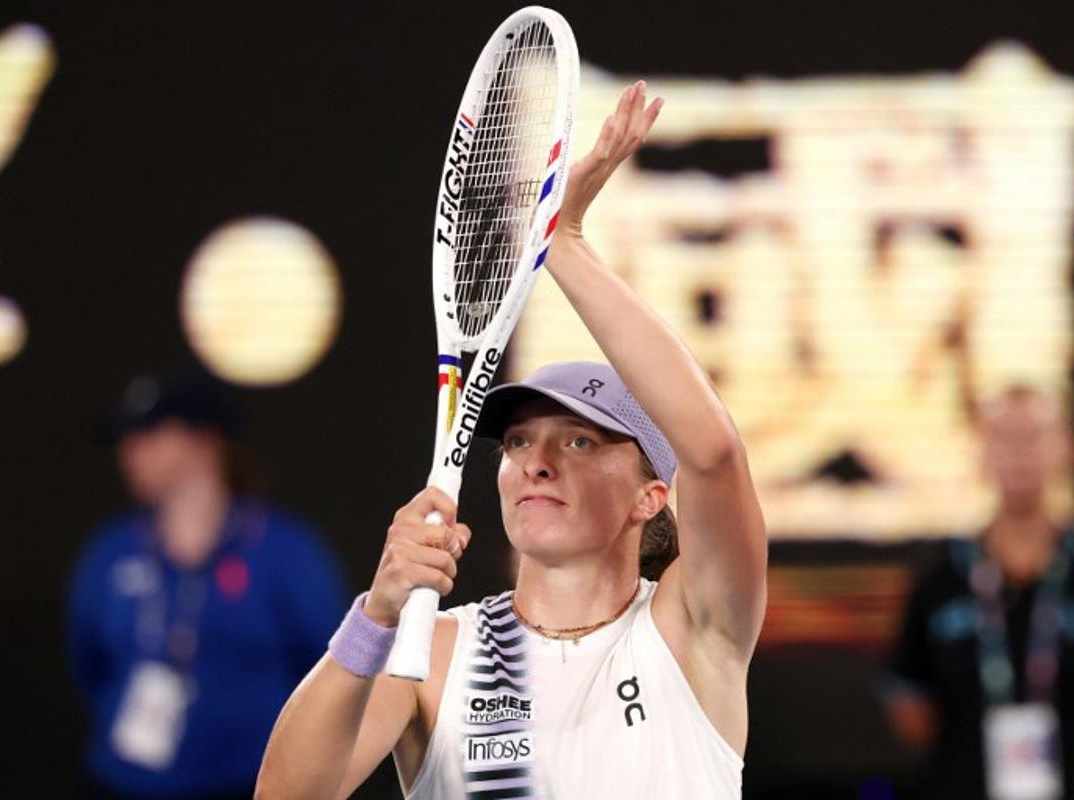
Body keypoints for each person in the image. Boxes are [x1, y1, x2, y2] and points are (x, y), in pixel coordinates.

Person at [256, 82, 768, 798]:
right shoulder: (434, 651)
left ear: (650, 495)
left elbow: (713, 453)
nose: (538, 464)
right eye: (520, 443)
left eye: (581, 443)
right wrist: (378, 612)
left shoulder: (693, 631)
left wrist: (560, 243)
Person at [880, 385, 1074, 800]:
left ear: (1071, 449)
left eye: (1036, 436)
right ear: (981, 453)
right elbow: (911, 708)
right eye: (1003, 437)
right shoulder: (939, 582)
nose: (1020, 451)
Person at [68, 371, 350, 799]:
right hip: (126, 784)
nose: (131, 451)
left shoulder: (284, 550)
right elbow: (89, 662)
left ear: (205, 439)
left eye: (150, 433)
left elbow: (330, 668)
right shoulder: (111, 551)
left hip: (251, 784)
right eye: (126, 437)